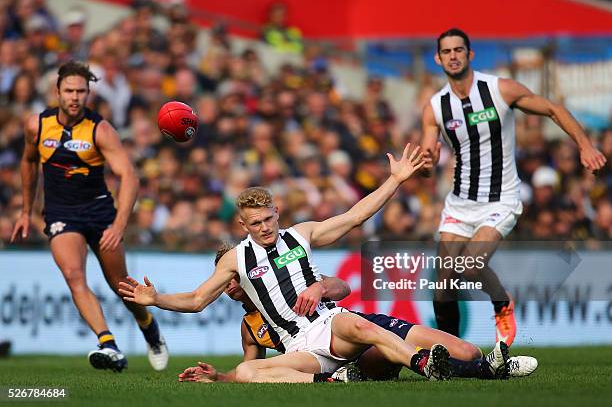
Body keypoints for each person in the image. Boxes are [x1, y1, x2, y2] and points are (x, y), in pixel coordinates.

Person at [121, 144, 465, 383]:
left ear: (277, 213)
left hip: (328, 324)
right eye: (255, 224)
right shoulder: (236, 258)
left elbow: (354, 217)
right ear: (243, 226)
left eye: (269, 219)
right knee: (245, 373)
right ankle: (329, 381)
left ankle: (422, 363)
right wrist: (157, 300)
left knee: (359, 326)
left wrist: (396, 180)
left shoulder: (301, 234)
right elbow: (197, 300)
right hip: (300, 347)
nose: (265, 227)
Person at [420, 28, 607, 346]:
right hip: (459, 203)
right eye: (447, 52)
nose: (453, 56)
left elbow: (553, 109)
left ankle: (502, 302)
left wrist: (584, 145)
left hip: (500, 199)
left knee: (468, 266)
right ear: (438, 58)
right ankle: (451, 356)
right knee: (444, 285)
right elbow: (427, 160)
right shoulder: (436, 107)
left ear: (470, 54)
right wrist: (425, 166)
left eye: (458, 50)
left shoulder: (498, 89)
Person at [177, 245, 537, 383]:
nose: (230, 287)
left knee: (466, 350)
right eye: (226, 283)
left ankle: (476, 363)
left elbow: (343, 288)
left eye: (234, 279)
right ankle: (488, 371)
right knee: (378, 354)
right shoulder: (250, 327)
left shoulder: (286, 282)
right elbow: (253, 371)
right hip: (338, 357)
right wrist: (219, 377)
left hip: (356, 325)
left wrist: (318, 288)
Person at [11, 61, 169, 372]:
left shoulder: (100, 129)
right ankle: (108, 344)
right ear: (57, 92)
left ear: (88, 94)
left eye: (81, 91)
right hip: (60, 213)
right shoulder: (37, 126)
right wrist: (25, 211)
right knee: (73, 275)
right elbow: (28, 163)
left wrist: (119, 223)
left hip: (99, 212)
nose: (74, 97)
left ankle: (149, 327)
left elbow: (129, 176)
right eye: (69, 90)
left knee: (120, 284)